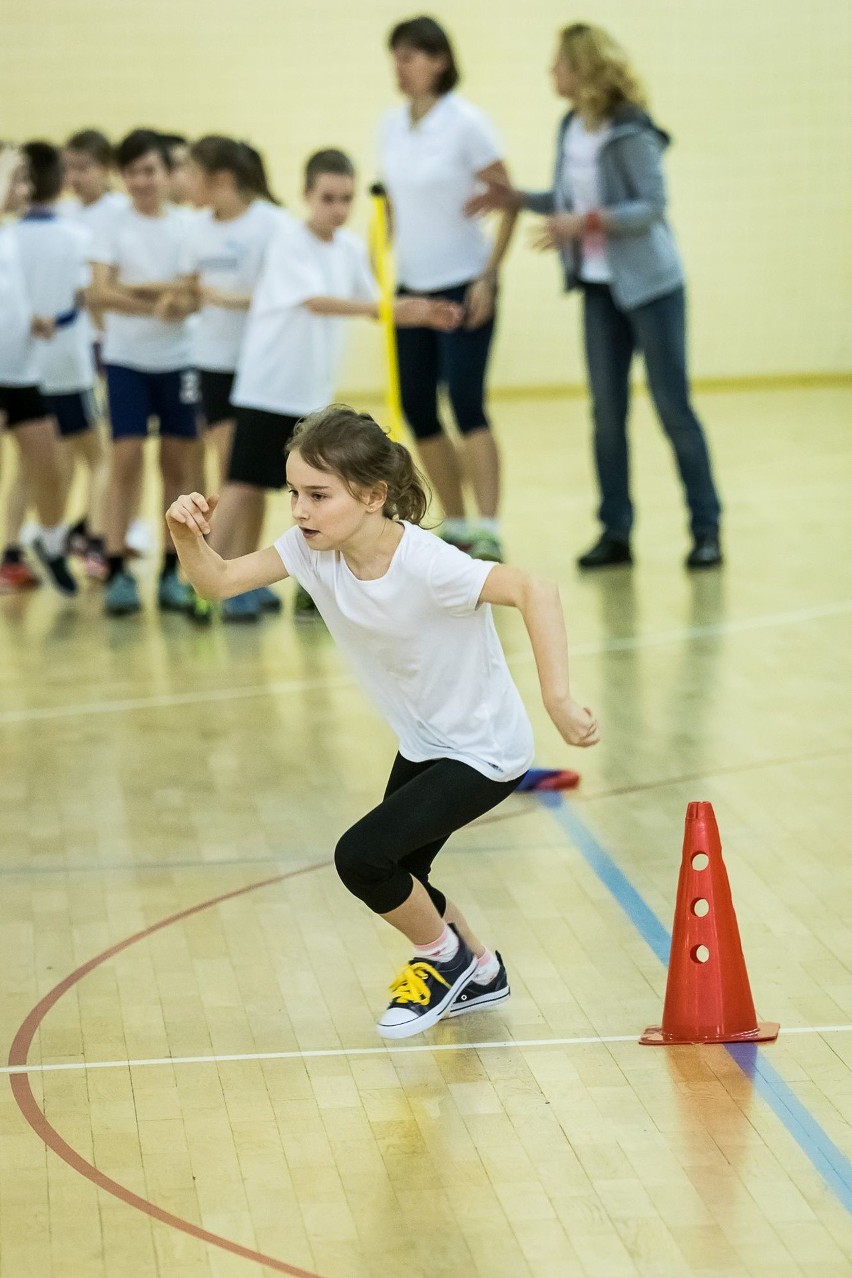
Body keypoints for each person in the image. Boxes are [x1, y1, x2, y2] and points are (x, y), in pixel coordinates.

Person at [166, 405, 599, 1038]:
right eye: (293, 493)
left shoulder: (427, 563)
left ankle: (441, 959)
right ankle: (480, 970)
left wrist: (558, 697)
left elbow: (535, 589)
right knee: (406, 878)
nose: (299, 511)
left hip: (484, 752)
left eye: (318, 495)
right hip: (425, 743)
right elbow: (219, 581)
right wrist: (184, 534)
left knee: (362, 860)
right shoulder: (312, 552)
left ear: (373, 496)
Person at [467, 22, 723, 570]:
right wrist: (517, 198)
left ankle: (707, 529)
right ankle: (616, 533)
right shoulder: (570, 126)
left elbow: (650, 206)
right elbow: (563, 199)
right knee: (606, 415)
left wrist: (583, 223)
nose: (550, 73)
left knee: (672, 408)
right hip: (599, 291)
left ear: (581, 68)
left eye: (558, 63)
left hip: (653, 289)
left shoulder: (631, 130)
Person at [222, 148, 461, 622]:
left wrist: (413, 310)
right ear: (307, 195)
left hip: (310, 393)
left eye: (345, 199)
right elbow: (318, 301)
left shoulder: (349, 248)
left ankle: (248, 584)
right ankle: (209, 579)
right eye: (327, 197)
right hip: (268, 388)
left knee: (299, 487)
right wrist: (387, 309)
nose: (337, 208)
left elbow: (374, 303)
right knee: (243, 486)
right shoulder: (290, 241)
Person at [379, 16, 518, 563]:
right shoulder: (390, 126)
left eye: (410, 55)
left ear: (439, 60)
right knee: (418, 405)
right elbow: (388, 209)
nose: (399, 66)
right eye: (395, 56)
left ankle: (489, 524)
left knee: (465, 402)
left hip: (464, 285)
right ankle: (457, 522)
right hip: (414, 291)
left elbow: (508, 199)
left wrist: (489, 275)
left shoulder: (467, 124)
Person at [89, 128, 200, 616]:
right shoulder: (110, 224)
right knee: (127, 458)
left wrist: (140, 290)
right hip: (126, 361)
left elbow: (194, 293)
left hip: (178, 362)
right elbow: (98, 294)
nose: (141, 180)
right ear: (123, 175)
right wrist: (161, 297)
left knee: (177, 464)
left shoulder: (186, 226)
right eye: (132, 172)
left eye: (150, 170)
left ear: (165, 173)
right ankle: (116, 567)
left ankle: (172, 568)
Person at [8, 141, 108, 580]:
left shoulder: (11, 236)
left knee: (33, 464)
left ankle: (12, 553)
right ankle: (95, 545)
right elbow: (89, 297)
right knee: (99, 458)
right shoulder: (76, 236)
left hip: (26, 364)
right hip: (66, 363)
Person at [0, 144, 77, 596]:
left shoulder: (10, 236)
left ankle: (51, 546)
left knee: (48, 467)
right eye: (17, 179)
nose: (26, 190)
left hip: (22, 371)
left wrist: (32, 321)